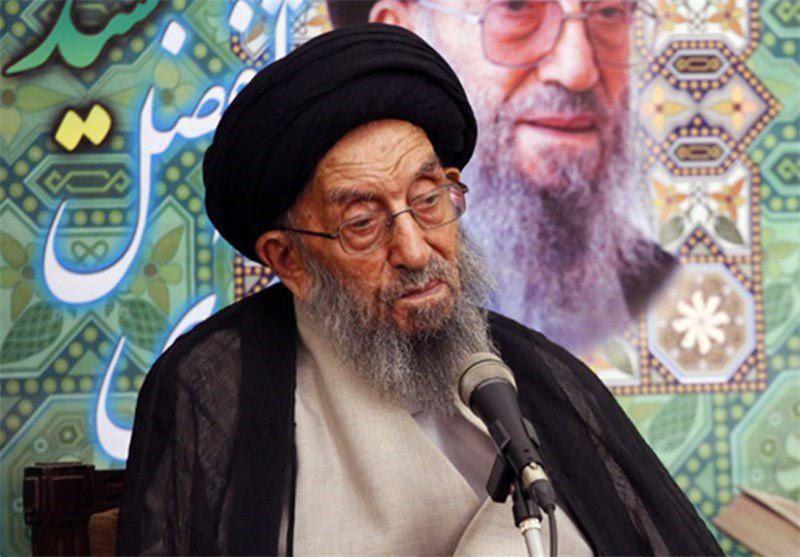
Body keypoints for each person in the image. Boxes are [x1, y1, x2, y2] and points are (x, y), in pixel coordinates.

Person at [117, 24, 719, 555]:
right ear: (288, 259)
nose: (414, 250)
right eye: (361, 223)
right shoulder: (212, 387)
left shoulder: (535, 375)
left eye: (428, 200)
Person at [326, 0, 676, 352]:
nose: (577, 70)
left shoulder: (664, 293)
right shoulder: (338, 311)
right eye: (516, 7)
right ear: (401, 38)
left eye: (609, 12)